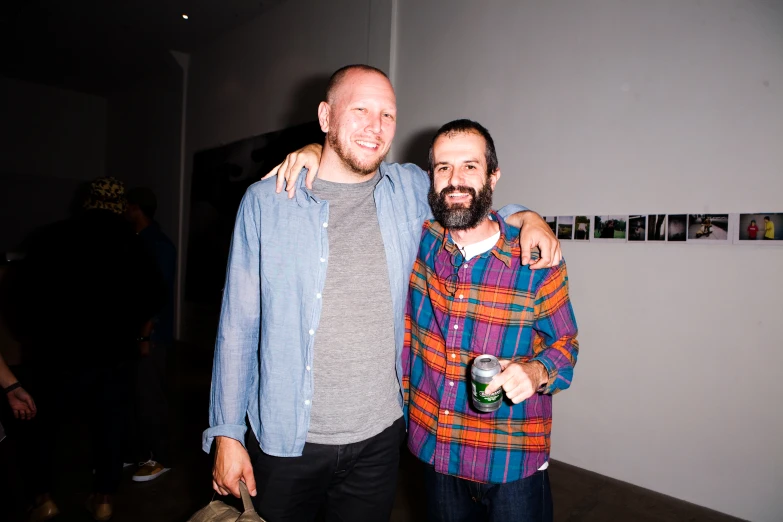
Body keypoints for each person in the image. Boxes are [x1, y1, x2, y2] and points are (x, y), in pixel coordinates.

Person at [205, 64, 561, 522]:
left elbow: (466, 201)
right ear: (325, 116)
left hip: (380, 439)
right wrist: (227, 434)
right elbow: (236, 327)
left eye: (387, 115)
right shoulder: (267, 201)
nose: (376, 128)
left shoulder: (409, 189)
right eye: (360, 111)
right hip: (287, 438)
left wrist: (526, 215)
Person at [403, 119, 578, 521]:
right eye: (444, 168)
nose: (456, 179)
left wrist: (534, 372)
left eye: (470, 166)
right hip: (438, 451)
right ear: (432, 179)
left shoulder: (534, 260)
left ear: (493, 176)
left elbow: (566, 346)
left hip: (510, 459)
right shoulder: (421, 242)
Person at [6, 177, 166, 521]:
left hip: (56, 356)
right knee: (110, 427)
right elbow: (154, 296)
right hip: (113, 356)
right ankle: (104, 498)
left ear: (87, 201)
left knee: (41, 430)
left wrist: (32, 334)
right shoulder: (133, 243)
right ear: (120, 204)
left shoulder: (48, 237)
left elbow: (20, 300)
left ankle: (42, 499)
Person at [124, 187, 176, 482]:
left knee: (150, 397)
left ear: (135, 208)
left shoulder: (158, 245)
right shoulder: (140, 241)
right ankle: (140, 454)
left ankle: (160, 458)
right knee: (135, 396)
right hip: (138, 336)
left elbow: (158, 295)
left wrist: (146, 335)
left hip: (152, 337)